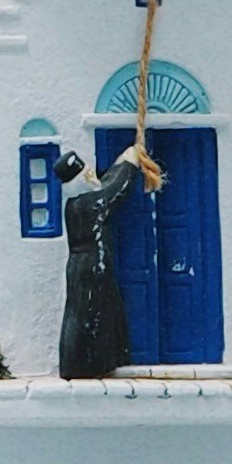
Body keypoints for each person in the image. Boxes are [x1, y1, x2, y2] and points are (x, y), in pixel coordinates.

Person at [56, 141, 156, 380]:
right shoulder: (90, 204)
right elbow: (114, 189)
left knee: (83, 312)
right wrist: (130, 163)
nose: (92, 175)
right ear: (79, 180)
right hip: (92, 267)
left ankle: (85, 361)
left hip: (84, 266)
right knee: (92, 312)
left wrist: (121, 159)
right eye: (87, 174)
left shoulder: (76, 204)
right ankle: (88, 363)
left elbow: (104, 183)